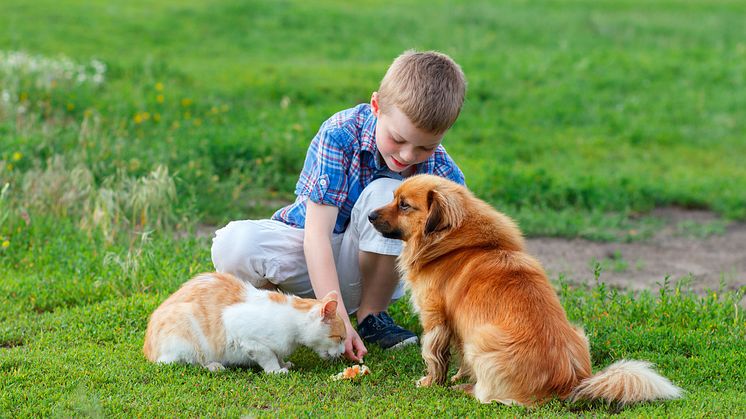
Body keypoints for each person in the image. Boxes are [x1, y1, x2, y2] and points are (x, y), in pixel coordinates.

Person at [211, 50, 467, 362]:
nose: (408, 155)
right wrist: (338, 321)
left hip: (370, 272)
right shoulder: (341, 134)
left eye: (426, 146)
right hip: (311, 253)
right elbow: (316, 236)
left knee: (389, 192)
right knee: (233, 244)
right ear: (376, 107)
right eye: (398, 138)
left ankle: (372, 315)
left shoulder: (441, 172)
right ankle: (275, 313)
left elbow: (464, 249)